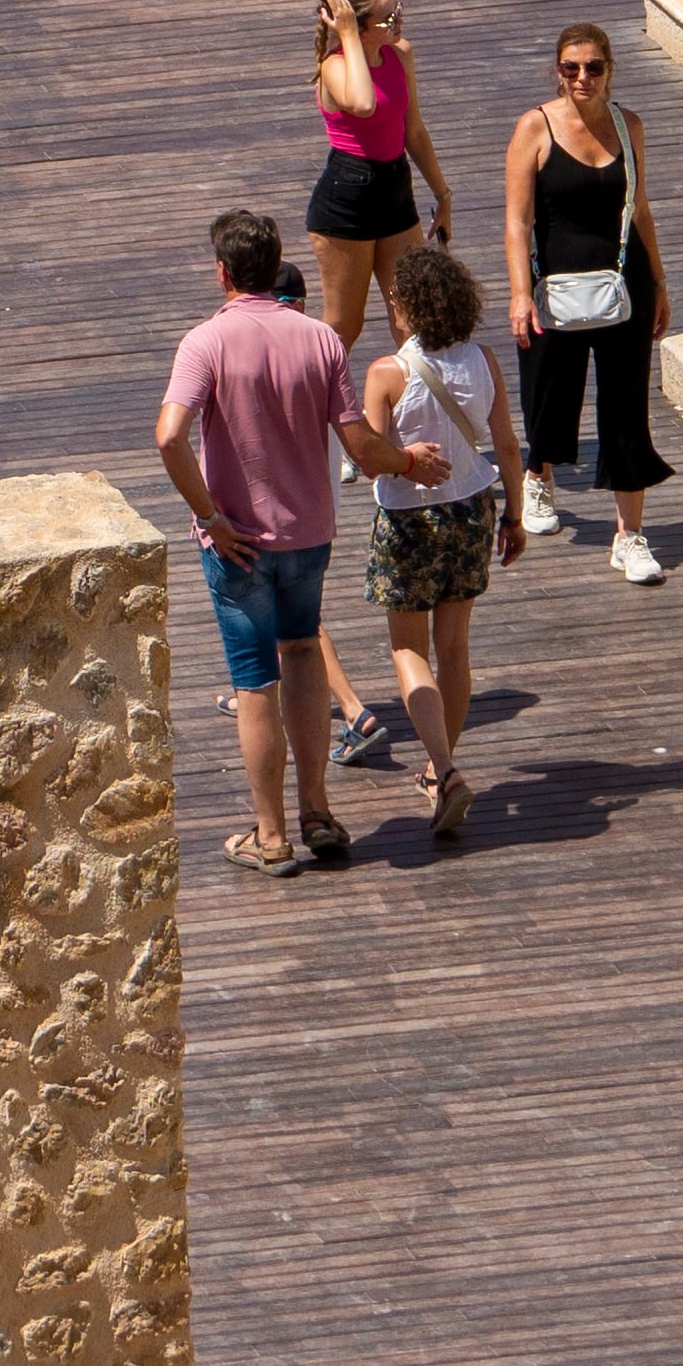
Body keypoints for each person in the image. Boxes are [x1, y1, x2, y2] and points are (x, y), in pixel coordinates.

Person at [157, 204, 414, 883]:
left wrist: (209, 516)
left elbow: (169, 436)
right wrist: (408, 461)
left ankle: (270, 836)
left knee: (254, 683)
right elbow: (359, 444)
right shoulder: (322, 340)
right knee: (302, 654)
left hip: (238, 543)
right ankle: (317, 811)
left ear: (223, 274)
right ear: (275, 268)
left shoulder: (205, 343)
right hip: (309, 536)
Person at [362, 232, 519, 844]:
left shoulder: (386, 373)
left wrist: (404, 458)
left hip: (409, 521)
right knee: (454, 648)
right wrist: (514, 516)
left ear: (406, 306)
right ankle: (439, 768)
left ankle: (445, 769)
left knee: (408, 650)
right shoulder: (484, 361)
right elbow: (507, 446)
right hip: (473, 508)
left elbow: (373, 460)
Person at [508, 17, 672, 581]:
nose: (583, 77)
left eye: (594, 67)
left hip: (625, 284)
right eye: (571, 68)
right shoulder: (534, 127)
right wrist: (519, 294)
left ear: (610, 70)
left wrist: (659, 283)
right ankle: (538, 473)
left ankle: (630, 537)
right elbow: (516, 221)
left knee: (626, 407)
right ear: (558, 72)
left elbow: (640, 209)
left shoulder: (629, 126)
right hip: (555, 288)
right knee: (550, 391)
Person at [307, 0, 449, 368]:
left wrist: (443, 194)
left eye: (397, 10)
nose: (398, 22)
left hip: (395, 191)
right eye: (387, 19)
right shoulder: (334, 67)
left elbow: (413, 131)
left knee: (412, 321)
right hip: (347, 199)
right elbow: (363, 103)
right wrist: (347, 37)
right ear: (358, 28)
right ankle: (314, 402)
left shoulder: (400, 54)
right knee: (343, 326)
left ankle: (413, 403)